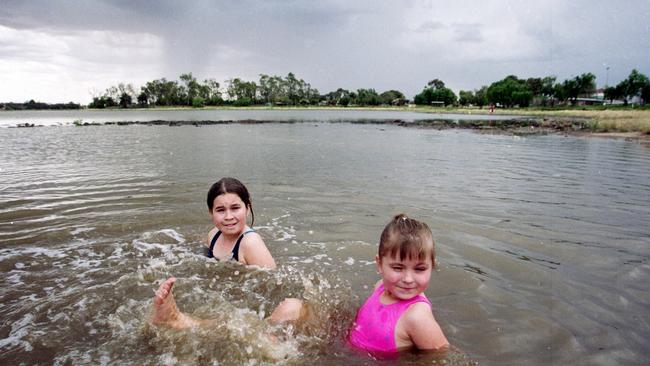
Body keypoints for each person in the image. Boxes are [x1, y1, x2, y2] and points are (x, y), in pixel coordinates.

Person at [149, 214, 448, 356]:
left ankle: (183, 323)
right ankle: (185, 322)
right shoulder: (383, 287)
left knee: (268, 347)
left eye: (419, 269)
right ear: (378, 265)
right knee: (289, 308)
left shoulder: (418, 316)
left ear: (432, 267)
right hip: (342, 336)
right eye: (397, 267)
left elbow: (442, 358)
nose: (408, 279)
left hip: (355, 357)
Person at [205, 177, 276, 269]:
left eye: (235, 208)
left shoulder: (251, 244)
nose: (228, 217)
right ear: (211, 213)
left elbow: (274, 281)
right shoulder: (213, 235)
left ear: (247, 209)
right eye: (221, 210)